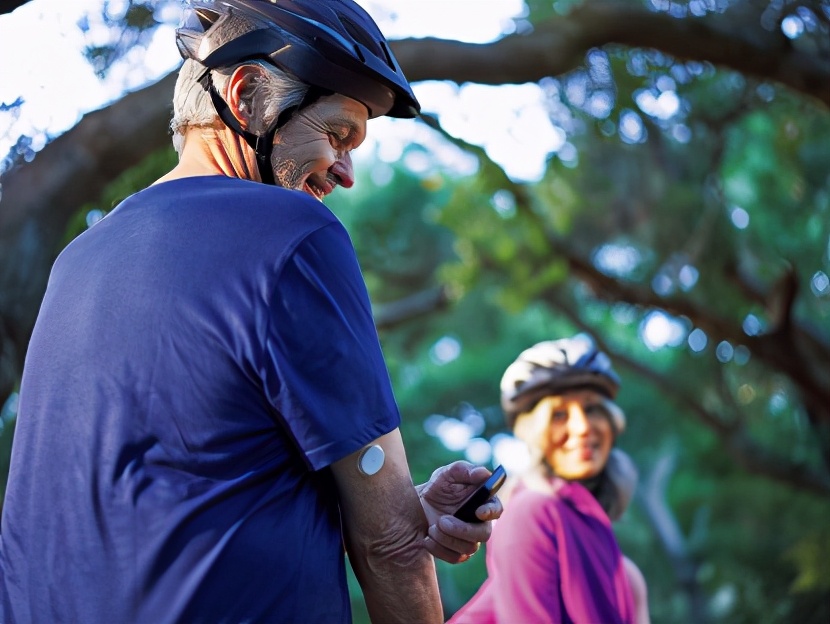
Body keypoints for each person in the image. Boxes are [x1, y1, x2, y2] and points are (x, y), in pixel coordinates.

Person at [0, 2, 502, 623]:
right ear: (248, 95)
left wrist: (402, 504)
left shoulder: (75, 261)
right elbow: (391, 547)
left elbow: (170, 499)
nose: (346, 172)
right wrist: (395, 521)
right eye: (337, 135)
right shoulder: (292, 232)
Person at [449, 335, 650, 624]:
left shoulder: (627, 579)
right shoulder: (531, 512)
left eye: (592, 408)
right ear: (530, 432)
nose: (581, 427)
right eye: (559, 414)